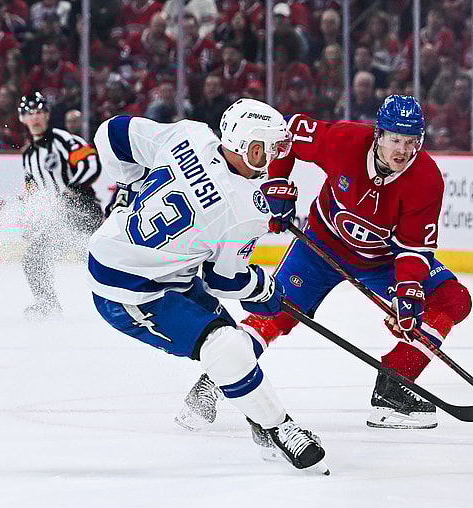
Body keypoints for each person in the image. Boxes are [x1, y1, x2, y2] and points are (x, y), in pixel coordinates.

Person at [177, 95, 472, 431]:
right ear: (378, 135)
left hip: (383, 259)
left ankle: (394, 387)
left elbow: (414, 248)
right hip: (320, 246)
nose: (402, 151)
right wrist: (275, 181)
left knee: (452, 300)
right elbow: (285, 134)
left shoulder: (426, 179)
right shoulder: (344, 140)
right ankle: (214, 380)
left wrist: (407, 291)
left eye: (410, 142)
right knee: (275, 312)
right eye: (394, 140)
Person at [87, 99, 329, 474]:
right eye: (270, 148)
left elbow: (113, 132)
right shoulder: (245, 211)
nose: (276, 155)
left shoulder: (191, 135)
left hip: (149, 264)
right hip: (129, 288)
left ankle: (260, 425)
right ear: (248, 146)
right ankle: (280, 429)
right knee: (226, 345)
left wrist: (131, 186)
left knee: (230, 344)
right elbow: (224, 279)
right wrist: (265, 289)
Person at [18, 91, 102, 319]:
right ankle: (47, 305)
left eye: (38, 112)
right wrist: (30, 218)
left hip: (83, 211)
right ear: (22, 119)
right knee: (34, 259)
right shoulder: (28, 156)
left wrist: (72, 189)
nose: (34, 118)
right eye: (29, 113)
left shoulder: (63, 140)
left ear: (47, 114)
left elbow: (91, 164)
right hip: (60, 219)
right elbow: (33, 191)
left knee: (105, 258)